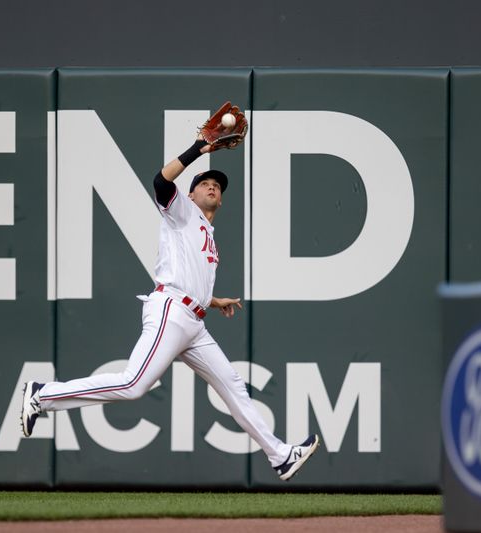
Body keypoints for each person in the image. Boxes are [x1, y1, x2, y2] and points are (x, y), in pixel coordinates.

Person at [21, 129, 320, 481]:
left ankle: (281, 455)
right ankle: (43, 395)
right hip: (171, 311)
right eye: (205, 183)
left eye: (217, 186)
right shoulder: (183, 211)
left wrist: (212, 300)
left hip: (193, 322)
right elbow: (161, 181)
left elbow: (189, 274)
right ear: (190, 194)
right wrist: (198, 149)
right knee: (133, 385)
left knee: (232, 384)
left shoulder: (207, 234)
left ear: (221, 200)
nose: (212, 187)